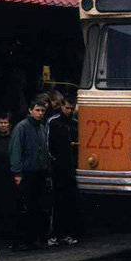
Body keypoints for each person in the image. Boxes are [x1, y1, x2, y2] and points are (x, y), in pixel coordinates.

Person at [9, 95, 50, 251]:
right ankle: (20, 241)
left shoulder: (40, 127)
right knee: (23, 208)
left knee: (36, 208)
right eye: (37, 110)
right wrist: (17, 173)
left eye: (42, 110)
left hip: (39, 171)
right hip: (26, 172)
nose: (40, 113)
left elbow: (43, 150)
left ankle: (32, 239)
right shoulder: (22, 127)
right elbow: (16, 150)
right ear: (30, 110)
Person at [47, 95, 82, 245]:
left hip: (71, 167)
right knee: (57, 200)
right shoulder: (53, 122)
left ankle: (65, 233)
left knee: (68, 200)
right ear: (61, 106)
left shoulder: (75, 123)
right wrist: (53, 161)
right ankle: (54, 234)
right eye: (66, 108)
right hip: (58, 167)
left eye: (71, 108)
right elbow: (48, 145)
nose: (69, 111)